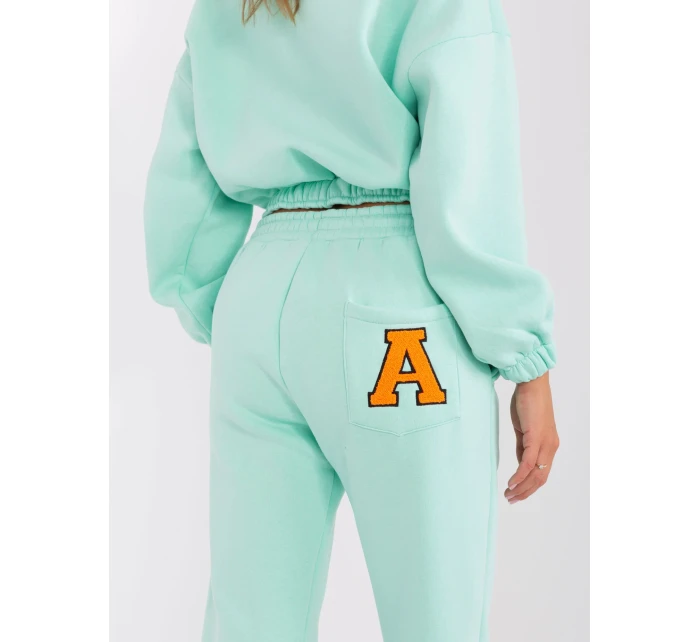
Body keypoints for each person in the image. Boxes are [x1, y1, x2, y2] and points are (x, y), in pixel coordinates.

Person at [144, 0, 560, 640]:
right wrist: (524, 357)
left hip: (258, 298)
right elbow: (468, 175)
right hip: (396, 293)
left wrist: (215, 310)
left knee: (250, 621)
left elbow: (185, 178)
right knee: (436, 619)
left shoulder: (220, 7)